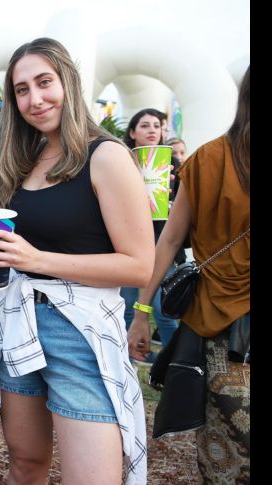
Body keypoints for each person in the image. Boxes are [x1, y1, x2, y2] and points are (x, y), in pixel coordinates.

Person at [0, 37, 153, 484]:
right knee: (25, 466)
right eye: (21, 90)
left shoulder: (107, 156)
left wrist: (36, 258)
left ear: (69, 83)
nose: (34, 99)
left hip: (79, 333)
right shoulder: (24, 160)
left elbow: (139, 266)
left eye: (44, 83)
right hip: (19, 324)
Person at [129, 66, 250, 484]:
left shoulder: (208, 158)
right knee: (226, 448)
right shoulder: (208, 161)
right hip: (222, 328)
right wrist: (141, 309)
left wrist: (142, 311)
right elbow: (167, 242)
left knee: (225, 452)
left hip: (218, 325)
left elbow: (168, 243)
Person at [121, 109, 183, 357]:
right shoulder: (120, 159)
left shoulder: (173, 164)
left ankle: (170, 362)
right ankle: (126, 358)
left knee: (162, 308)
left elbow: (182, 207)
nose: (151, 130)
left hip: (162, 240)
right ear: (133, 132)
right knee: (124, 305)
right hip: (127, 239)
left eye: (156, 126)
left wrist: (172, 196)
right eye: (145, 125)